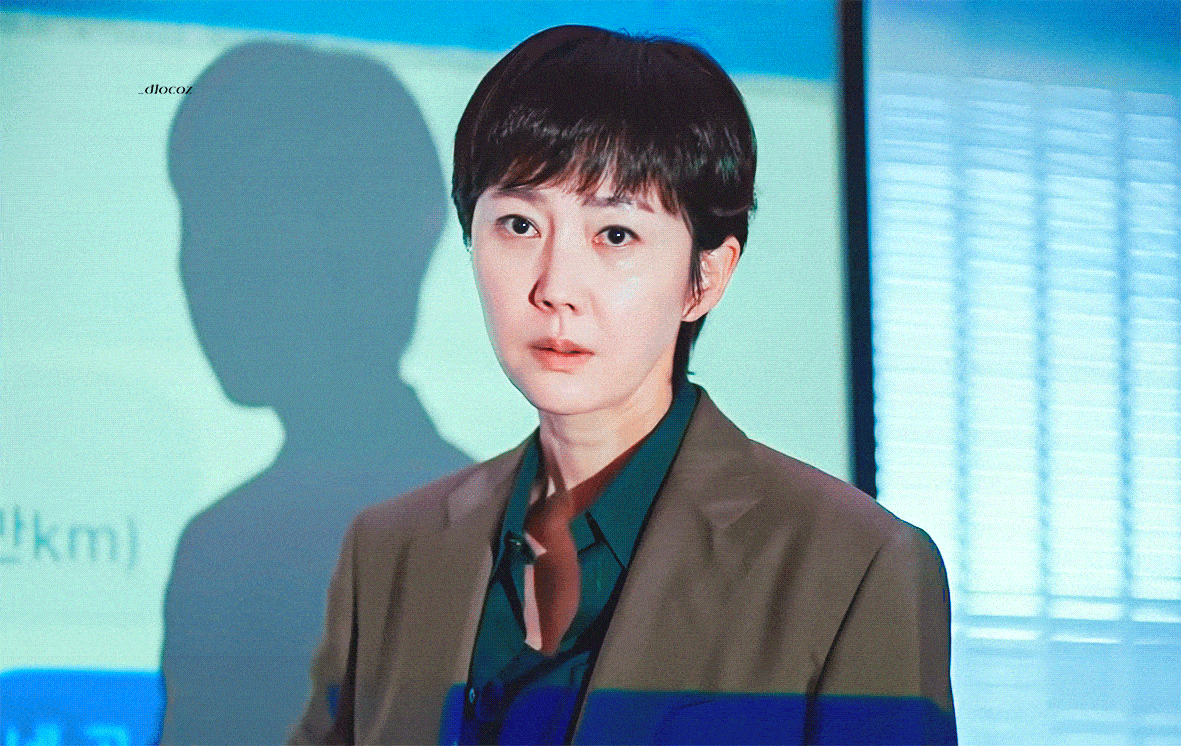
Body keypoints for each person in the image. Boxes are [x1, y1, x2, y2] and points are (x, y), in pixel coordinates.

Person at [291, 25, 955, 745]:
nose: (555, 287)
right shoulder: (391, 551)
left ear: (706, 277)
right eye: (518, 224)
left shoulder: (854, 567)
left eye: (614, 235)